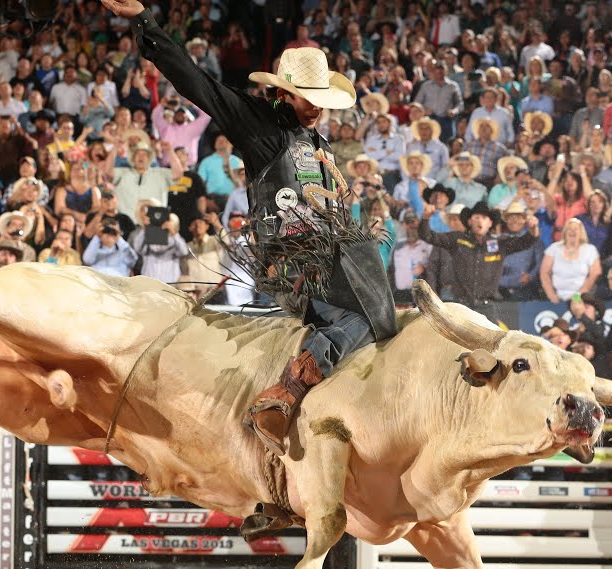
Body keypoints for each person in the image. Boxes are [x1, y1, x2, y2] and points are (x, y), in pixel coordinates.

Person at [106, 0, 396, 456]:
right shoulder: (260, 125)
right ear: (284, 93)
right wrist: (146, 22)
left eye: (321, 100)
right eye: (309, 99)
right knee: (372, 316)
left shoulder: (316, 142)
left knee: (382, 309)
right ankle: (286, 391)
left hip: (324, 254)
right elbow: (197, 83)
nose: (317, 109)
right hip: (291, 258)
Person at [540, 218, 603, 303]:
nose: (572, 231)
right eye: (569, 229)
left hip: (581, 297)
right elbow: (544, 272)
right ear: (565, 232)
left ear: (581, 233)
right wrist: (551, 295)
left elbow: (595, 272)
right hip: (557, 297)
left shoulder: (590, 249)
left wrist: (578, 296)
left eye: (575, 229)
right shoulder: (554, 248)